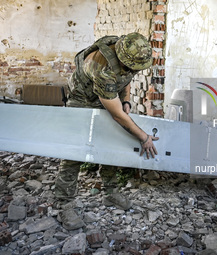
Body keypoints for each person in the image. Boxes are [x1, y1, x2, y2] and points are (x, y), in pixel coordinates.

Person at [55, 32, 158, 218]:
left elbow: (126, 75)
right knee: (75, 148)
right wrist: (144, 138)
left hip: (107, 91)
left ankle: (111, 192)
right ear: (122, 58)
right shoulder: (104, 70)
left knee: (112, 141)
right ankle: (64, 203)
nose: (134, 71)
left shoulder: (125, 47)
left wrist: (125, 100)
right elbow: (118, 115)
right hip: (82, 98)